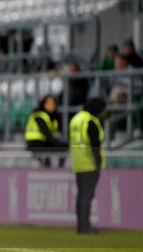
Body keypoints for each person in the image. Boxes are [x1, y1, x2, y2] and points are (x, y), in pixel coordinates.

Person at [69, 97, 106, 234]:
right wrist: (98, 162)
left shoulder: (76, 119)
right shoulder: (90, 120)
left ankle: (80, 226)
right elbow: (95, 144)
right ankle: (86, 227)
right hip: (89, 163)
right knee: (87, 196)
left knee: (81, 196)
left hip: (78, 162)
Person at [24, 95, 68, 167]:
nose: (51, 106)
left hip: (45, 142)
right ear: (43, 104)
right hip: (34, 143)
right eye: (49, 103)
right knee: (47, 158)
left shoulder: (54, 117)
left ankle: (60, 169)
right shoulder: (38, 115)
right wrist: (63, 144)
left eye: (53, 103)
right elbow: (47, 134)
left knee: (63, 149)